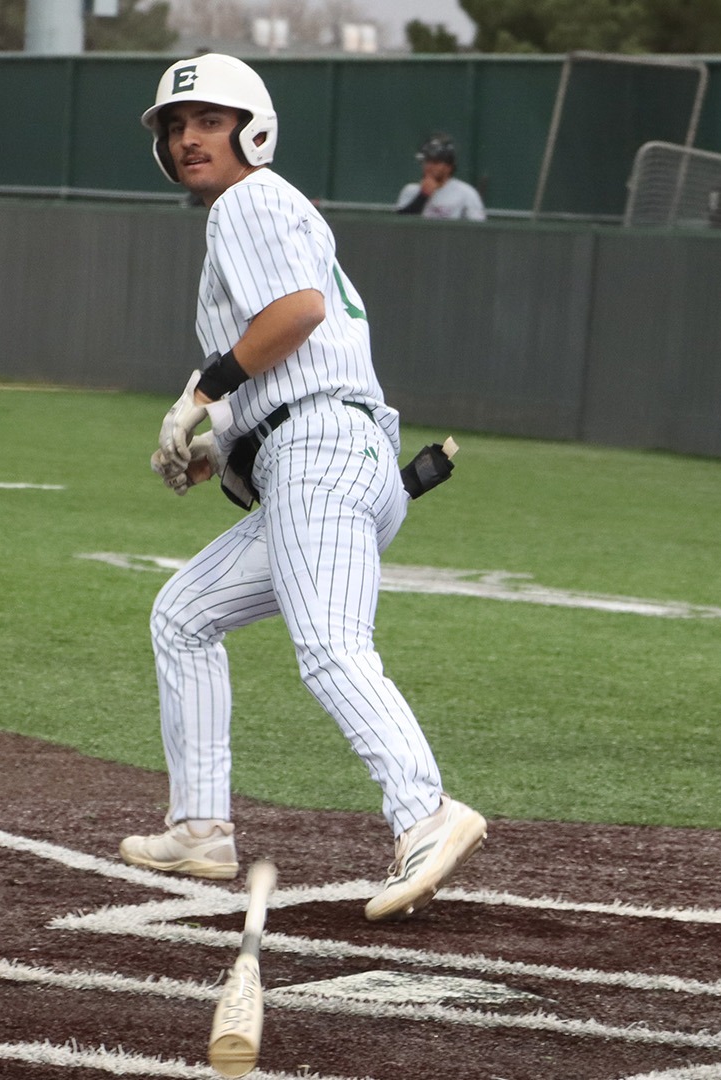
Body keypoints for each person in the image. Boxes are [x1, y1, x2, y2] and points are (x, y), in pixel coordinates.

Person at [121, 53, 488, 922]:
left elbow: (296, 315)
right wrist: (225, 446)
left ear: (252, 129)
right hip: (322, 453)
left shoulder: (250, 199)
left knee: (330, 646)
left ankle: (426, 814)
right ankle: (201, 825)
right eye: (176, 126)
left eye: (207, 121)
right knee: (183, 615)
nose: (187, 138)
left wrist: (204, 391)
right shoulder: (265, 209)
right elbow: (298, 355)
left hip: (321, 452)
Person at [394, 133, 486, 221]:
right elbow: (401, 227)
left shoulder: (466, 193)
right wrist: (423, 196)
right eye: (426, 161)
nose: (429, 166)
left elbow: (478, 231)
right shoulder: (410, 191)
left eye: (435, 163)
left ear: (449, 167)